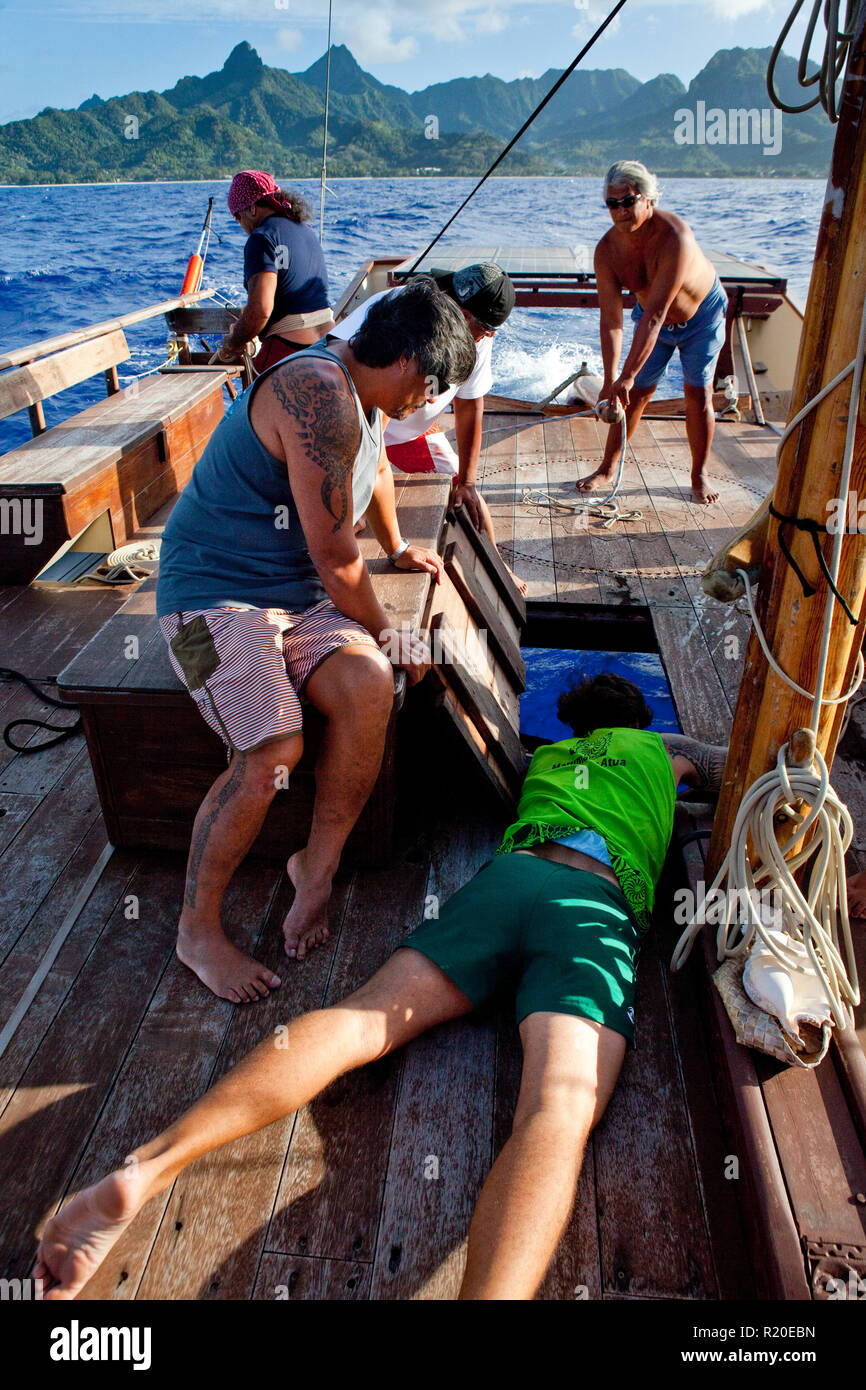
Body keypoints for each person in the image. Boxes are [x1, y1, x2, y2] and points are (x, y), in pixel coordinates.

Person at [33, 673, 727, 1302]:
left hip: (508, 880)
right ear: (640, 721)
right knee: (558, 1107)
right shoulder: (660, 754)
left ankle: (149, 1168)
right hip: (592, 906)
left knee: (362, 1019)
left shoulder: (548, 757)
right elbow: (734, 772)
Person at [155, 278, 476, 1004]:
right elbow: (337, 561)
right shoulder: (318, 391)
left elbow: (377, 469)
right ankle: (196, 930)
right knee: (271, 749)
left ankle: (318, 867)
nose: (422, 407)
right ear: (413, 368)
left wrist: (395, 547)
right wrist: (395, 633)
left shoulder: (361, 397)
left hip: (293, 603)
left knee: (369, 688)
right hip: (200, 604)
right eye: (428, 392)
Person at [332, 264, 525, 592]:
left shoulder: (478, 333)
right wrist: (394, 545)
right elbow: (369, 408)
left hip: (409, 430)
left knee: (467, 496)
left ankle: (498, 567)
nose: (490, 336)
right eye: (486, 329)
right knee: (346, 521)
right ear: (464, 316)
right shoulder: (405, 315)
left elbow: (469, 403)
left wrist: (467, 481)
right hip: (351, 426)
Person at [577, 160, 728, 507]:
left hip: (700, 317)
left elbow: (658, 314)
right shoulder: (606, 252)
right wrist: (612, 380)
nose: (620, 211)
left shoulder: (676, 237)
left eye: (628, 201)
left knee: (697, 394)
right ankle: (607, 467)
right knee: (634, 395)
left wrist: (626, 375)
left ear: (648, 199)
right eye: (612, 204)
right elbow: (611, 320)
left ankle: (698, 474)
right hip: (652, 318)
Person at [217, 170, 335, 374]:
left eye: (238, 216)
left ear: (252, 209)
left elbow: (261, 310)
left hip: (291, 353)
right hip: (330, 346)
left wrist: (233, 342)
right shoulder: (304, 229)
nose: (241, 224)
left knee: (245, 404)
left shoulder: (262, 238)